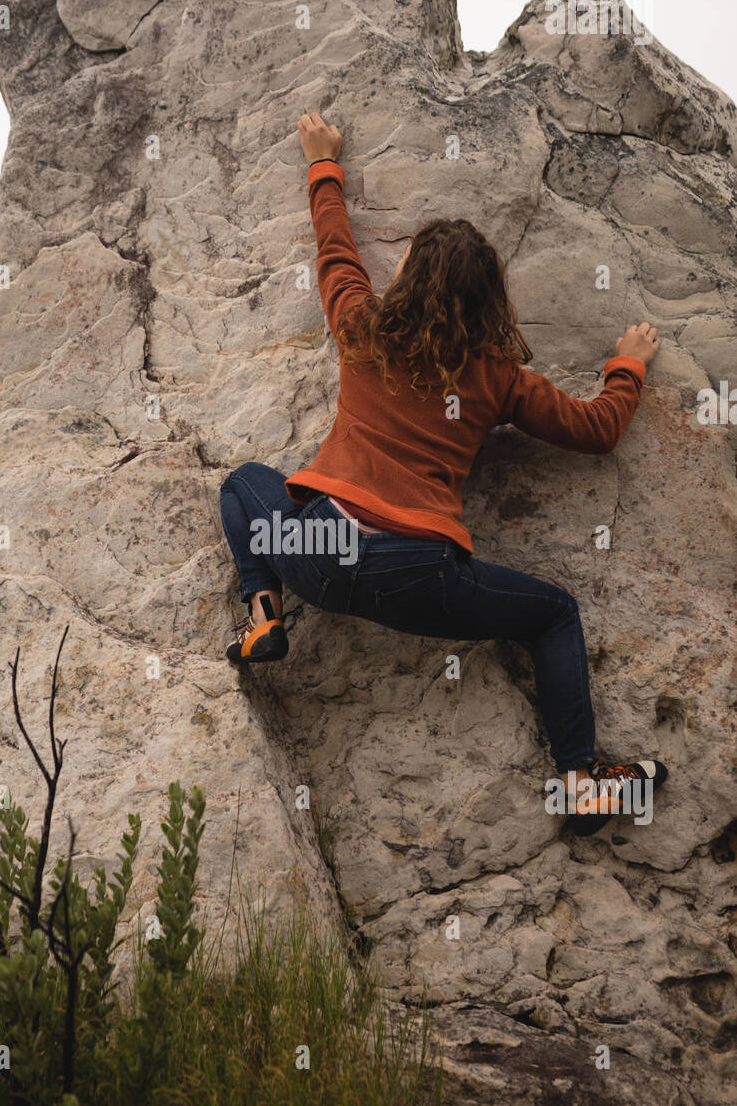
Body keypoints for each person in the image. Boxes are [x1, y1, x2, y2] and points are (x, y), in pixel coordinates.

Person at [219, 111, 667, 835]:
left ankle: (263, 613)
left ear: (409, 275)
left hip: (315, 555)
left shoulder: (363, 328)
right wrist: (628, 367)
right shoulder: (497, 378)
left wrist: (322, 165)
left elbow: (336, 256)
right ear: (488, 302)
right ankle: (579, 782)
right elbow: (596, 430)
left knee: (244, 481)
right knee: (553, 614)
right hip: (416, 577)